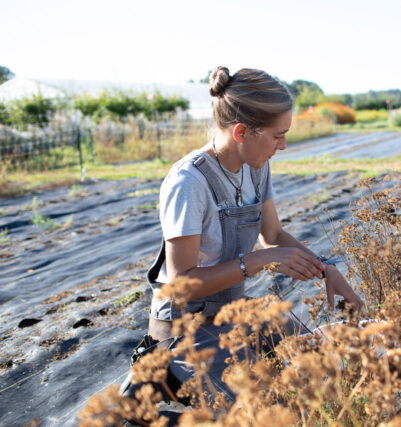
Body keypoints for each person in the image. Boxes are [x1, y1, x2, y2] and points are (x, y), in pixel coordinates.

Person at [120, 66, 363, 406]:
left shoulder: (256, 167)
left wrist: (325, 269)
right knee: (262, 410)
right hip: (185, 331)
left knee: (320, 369)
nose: (284, 145)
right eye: (277, 135)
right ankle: (161, 376)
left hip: (233, 314)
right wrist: (258, 260)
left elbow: (274, 234)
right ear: (241, 132)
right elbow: (181, 284)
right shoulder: (188, 183)